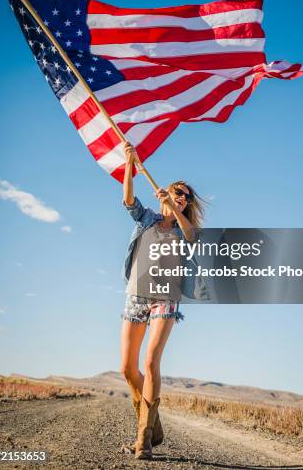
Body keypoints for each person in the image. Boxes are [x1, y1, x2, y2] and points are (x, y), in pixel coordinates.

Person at [120, 141, 207, 460]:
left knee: (150, 361)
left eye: (185, 196)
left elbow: (192, 237)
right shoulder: (147, 219)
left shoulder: (186, 229)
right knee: (127, 369)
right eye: (177, 192)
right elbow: (128, 200)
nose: (181, 197)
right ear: (168, 193)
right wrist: (130, 164)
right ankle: (152, 423)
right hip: (136, 296)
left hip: (165, 300)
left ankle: (143, 439)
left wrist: (173, 205)